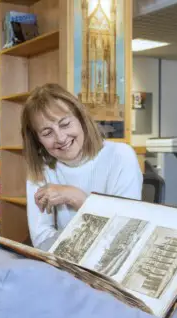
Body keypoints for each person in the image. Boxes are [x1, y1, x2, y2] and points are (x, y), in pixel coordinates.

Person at [22, 83, 142, 251]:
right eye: (47, 133)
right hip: (65, 266)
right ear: (37, 140)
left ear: (81, 120)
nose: (61, 138)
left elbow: (124, 234)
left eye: (65, 124)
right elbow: (41, 238)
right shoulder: (40, 167)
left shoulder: (121, 156)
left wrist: (77, 198)